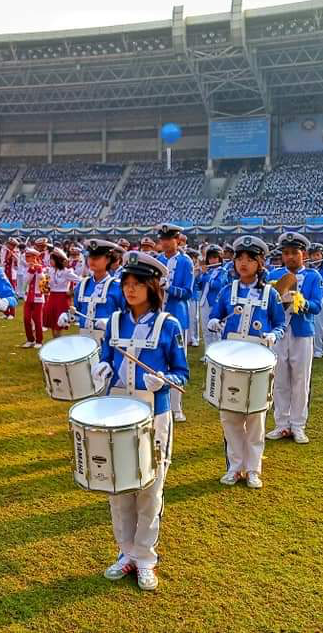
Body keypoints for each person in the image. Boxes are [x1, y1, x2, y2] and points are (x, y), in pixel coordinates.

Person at [89, 251, 189, 592]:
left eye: (137, 284)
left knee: (149, 488)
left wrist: (164, 379)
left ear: (152, 287)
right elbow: (107, 355)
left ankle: (146, 557)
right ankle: (125, 552)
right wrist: (102, 366)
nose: (130, 290)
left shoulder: (169, 324)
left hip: (153, 415)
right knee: (118, 487)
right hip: (116, 412)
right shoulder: (115, 322)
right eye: (127, 284)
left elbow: (182, 373)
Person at [207, 236, 286, 489]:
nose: (243, 263)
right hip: (230, 359)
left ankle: (253, 469)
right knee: (229, 415)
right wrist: (214, 322)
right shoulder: (226, 291)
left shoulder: (270, 293)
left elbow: (280, 322)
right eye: (239, 258)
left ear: (260, 263)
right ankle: (234, 466)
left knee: (255, 417)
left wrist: (275, 334)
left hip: (258, 360)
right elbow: (215, 314)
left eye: (250, 259)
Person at [266, 232, 323, 445]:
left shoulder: (313, 277)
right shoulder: (275, 275)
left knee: (300, 380)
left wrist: (302, 303)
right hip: (280, 332)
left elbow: (317, 306)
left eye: (294, 253)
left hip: (301, 331)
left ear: (303, 254)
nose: (290, 257)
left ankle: (298, 425)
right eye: (286, 253)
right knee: (279, 379)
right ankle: (281, 424)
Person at [154, 224, 192, 422]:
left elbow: (188, 292)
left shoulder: (186, 262)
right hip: (158, 316)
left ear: (178, 240)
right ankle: (160, 403)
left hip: (177, 316)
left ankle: (177, 407)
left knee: (177, 361)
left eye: (170, 239)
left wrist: (169, 287)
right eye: (163, 239)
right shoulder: (158, 260)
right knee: (158, 359)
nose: (166, 242)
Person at [58, 239, 124, 342]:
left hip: (108, 341)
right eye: (90, 257)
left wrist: (110, 322)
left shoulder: (117, 286)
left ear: (108, 260)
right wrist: (68, 316)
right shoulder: (82, 285)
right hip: (84, 340)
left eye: (97, 258)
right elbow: (78, 313)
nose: (92, 261)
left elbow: (128, 316)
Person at [46, 247, 81, 338]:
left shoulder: (67, 272)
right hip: (52, 298)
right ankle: (55, 344)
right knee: (53, 324)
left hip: (62, 299)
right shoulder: (50, 270)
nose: (50, 261)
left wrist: (72, 291)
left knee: (59, 324)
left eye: (52, 259)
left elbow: (80, 281)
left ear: (57, 260)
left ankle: (59, 345)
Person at [17, 247, 46, 348]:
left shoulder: (42, 268)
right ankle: (30, 339)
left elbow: (43, 282)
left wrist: (39, 270)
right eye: (26, 257)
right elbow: (26, 281)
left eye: (29, 257)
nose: (27, 259)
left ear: (35, 257)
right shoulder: (26, 268)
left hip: (38, 298)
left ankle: (39, 341)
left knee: (37, 320)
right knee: (26, 319)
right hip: (28, 297)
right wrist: (31, 270)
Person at [308, 243, 323, 358]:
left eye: (318, 255)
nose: (315, 258)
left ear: (322, 255)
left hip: (322, 298)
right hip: (308, 298)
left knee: (320, 325)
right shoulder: (307, 269)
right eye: (313, 255)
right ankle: (310, 347)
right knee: (309, 323)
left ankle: (319, 348)